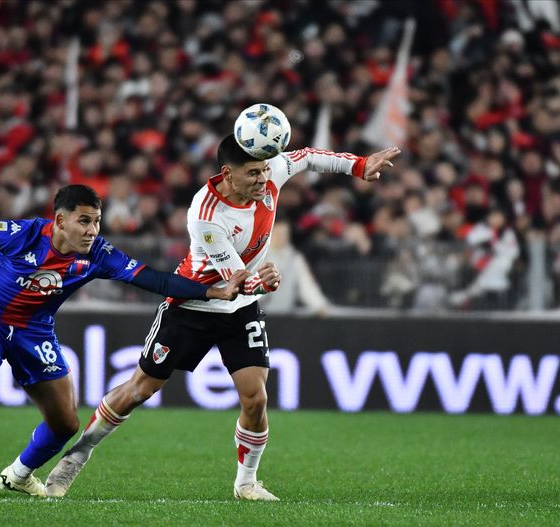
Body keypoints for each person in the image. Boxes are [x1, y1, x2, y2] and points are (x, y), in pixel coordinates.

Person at [46, 138, 400, 501]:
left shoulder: (271, 171)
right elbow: (234, 280)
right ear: (228, 174)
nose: (264, 179)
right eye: (253, 173)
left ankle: (246, 482)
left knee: (255, 398)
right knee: (140, 389)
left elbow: (308, 157)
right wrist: (262, 279)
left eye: (264, 170)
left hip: (239, 310)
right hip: (193, 304)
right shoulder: (205, 213)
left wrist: (358, 165)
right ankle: (78, 454)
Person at [0, 184, 246, 498]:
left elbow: (154, 279)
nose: (93, 230)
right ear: (59, 220)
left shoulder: (99, 255)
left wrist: (215, 292)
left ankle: (20, 474)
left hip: (34, 330)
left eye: (96, 221)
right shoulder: (21, 234)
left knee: (65, 423)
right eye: (84, 221)